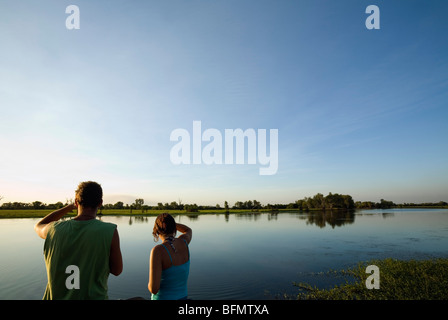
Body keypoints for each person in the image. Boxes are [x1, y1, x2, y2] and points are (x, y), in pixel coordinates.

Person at [34, 181, 123, 300]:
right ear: (100, 203)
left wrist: (68, 207)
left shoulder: (53, 229)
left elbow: (39, 225)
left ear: (76, 202)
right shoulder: (109, 231)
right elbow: (117, 271)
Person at [148, 213, 192, 300]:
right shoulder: (184, 242)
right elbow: (188, 229)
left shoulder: (158, 251)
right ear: (174, 228)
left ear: (157, 230)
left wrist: (149, 284)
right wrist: (172, 224)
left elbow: (154, 289)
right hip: (183, 298)